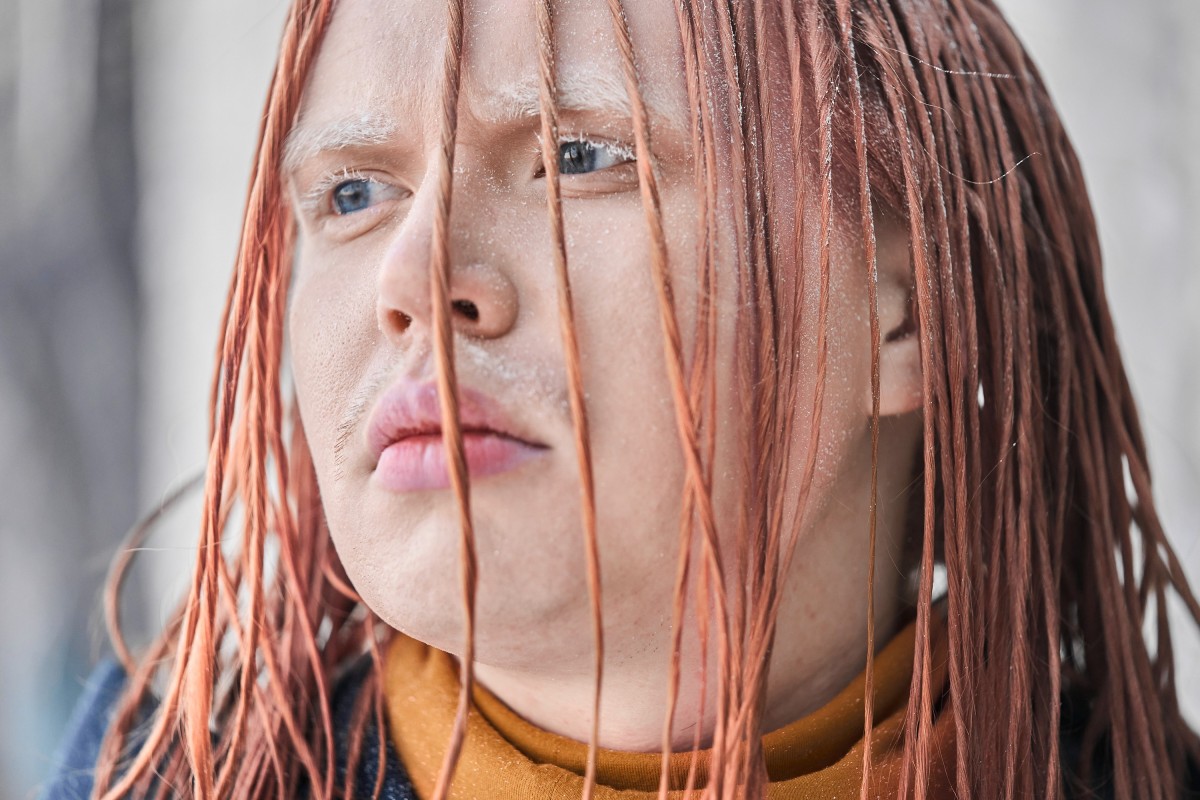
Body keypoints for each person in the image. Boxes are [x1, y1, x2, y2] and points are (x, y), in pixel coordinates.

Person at [40, 0, 1200, 798]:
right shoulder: (151, 775)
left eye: (581, 158)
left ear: (904, 308)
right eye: (352, 193)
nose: (414, 277)